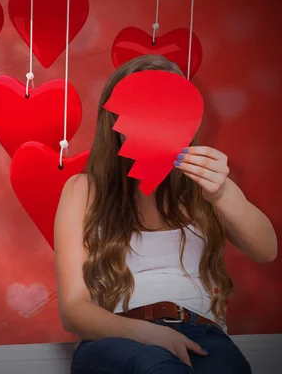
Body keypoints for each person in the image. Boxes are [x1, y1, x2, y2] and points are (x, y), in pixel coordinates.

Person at [54, 54, 277, 374]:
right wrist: (149, 334)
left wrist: (223, 193)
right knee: (157, 367)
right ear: (115, 123)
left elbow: (266, 249)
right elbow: (73, 309)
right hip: (117, 335)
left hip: (204, 334)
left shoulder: (206, 186)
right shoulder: (83, 190)